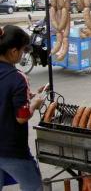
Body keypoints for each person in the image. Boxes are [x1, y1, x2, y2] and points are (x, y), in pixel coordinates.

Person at [0, 25, 45, 190]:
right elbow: (22, 116)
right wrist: (34, 103)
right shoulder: (18, 78)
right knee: (34, 187)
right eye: (22, 51)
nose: (23, 54)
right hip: (11, 150)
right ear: (13, 51)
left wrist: (27, 96)